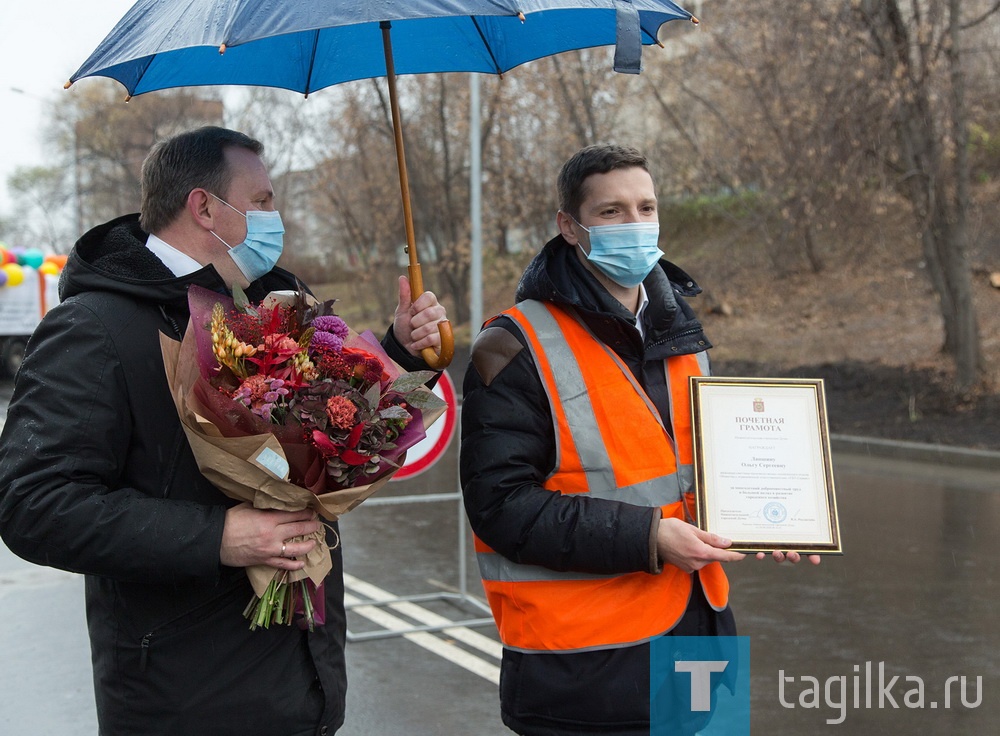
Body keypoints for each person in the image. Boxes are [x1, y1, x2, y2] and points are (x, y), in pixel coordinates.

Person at [0, 126, 447, 736]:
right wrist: (218, 536)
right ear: (204, 207)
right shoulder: (94, 326)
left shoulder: (282, 304)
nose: (276, 216)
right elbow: (35, 504)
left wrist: (399, 352)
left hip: (304, 682)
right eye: (261, 201)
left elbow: (329, 423)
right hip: (185, 697)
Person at [460, 144, 818, 735]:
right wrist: (651, 536)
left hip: (700, 635)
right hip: (587, 668)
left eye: (646, 207)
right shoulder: (510, 346)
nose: (635, 225)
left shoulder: (683, 333)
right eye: (612, 212)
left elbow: (699, 471)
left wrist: (774, 518)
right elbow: (501, 507)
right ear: (568, 227)